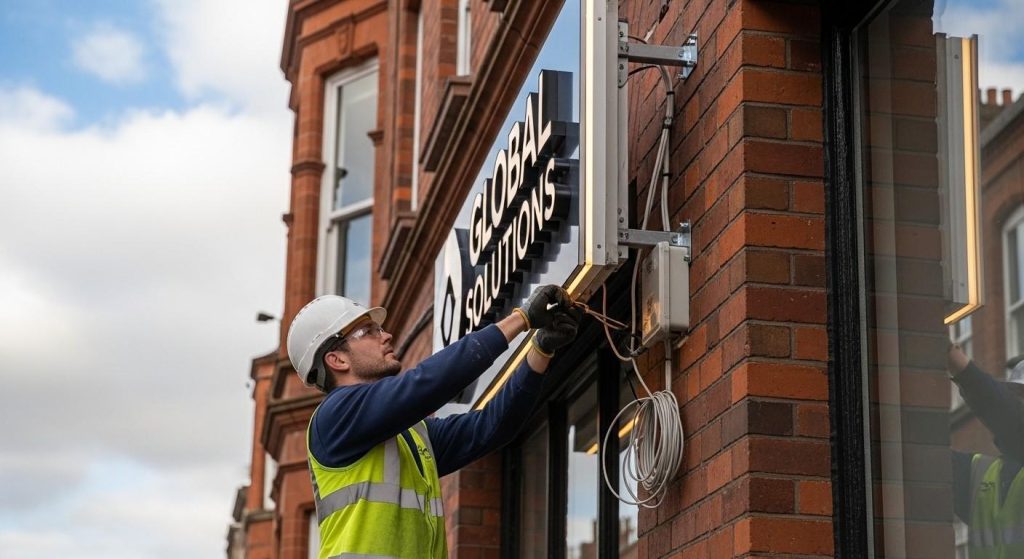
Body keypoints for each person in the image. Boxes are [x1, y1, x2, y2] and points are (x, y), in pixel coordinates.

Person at [286, 284, 581, 559]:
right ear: (337, 360)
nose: (386, 335)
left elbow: (492, 427)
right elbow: (427, 383)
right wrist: (522, 319)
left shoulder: (412, 436)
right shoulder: (335, 417)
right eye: (367, 331)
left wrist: (540, 350)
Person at [948, 344, 1024, 558]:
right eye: (1017, 395)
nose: (1020, 404)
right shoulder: (981, 474)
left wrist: (954, 360)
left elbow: (1002, 410)